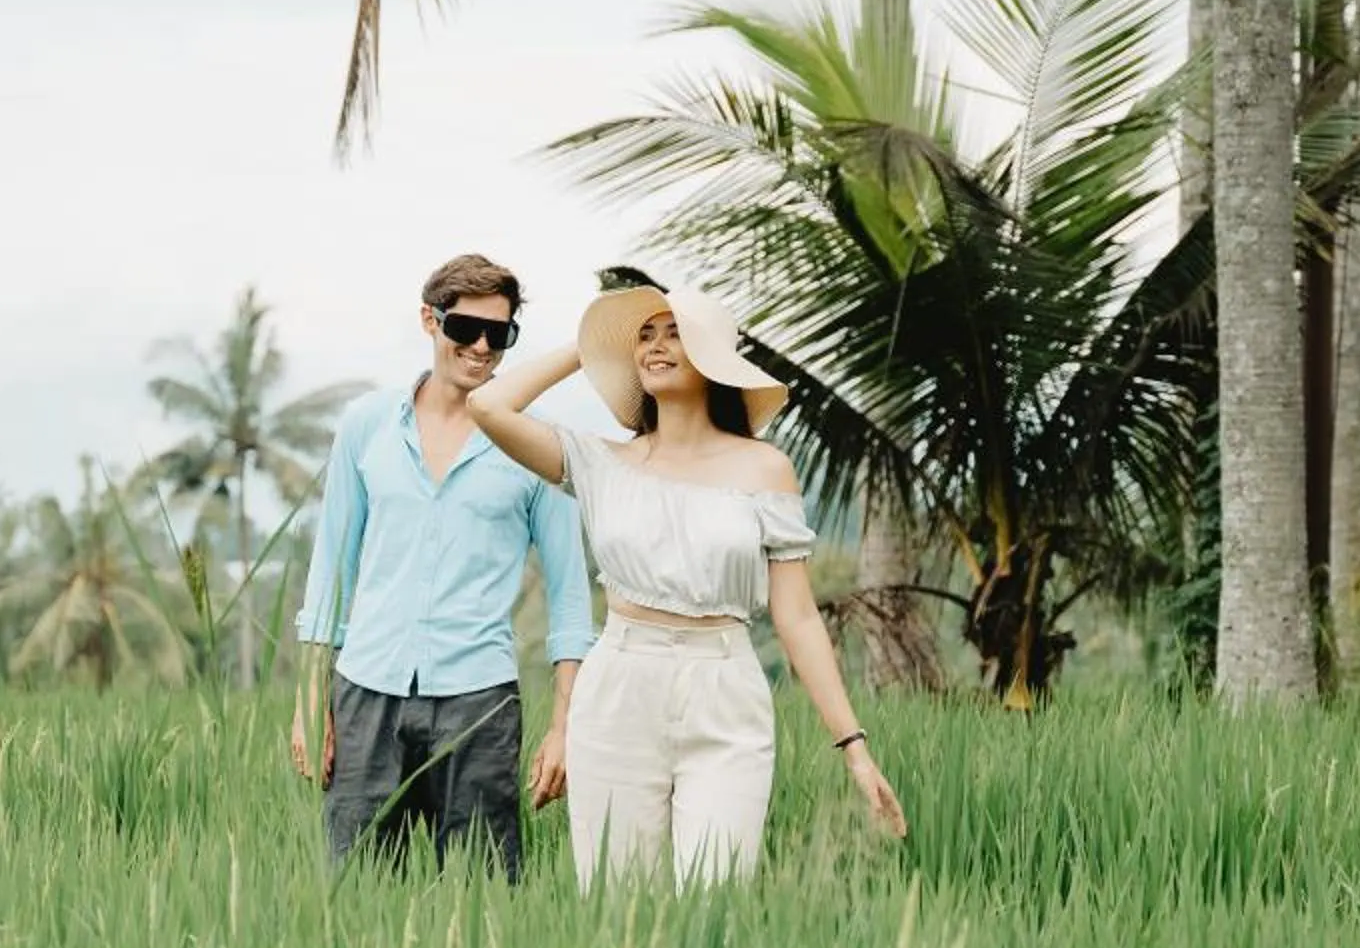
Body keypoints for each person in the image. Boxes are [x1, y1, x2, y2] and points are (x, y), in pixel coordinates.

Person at [467, 280, 907, 885]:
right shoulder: (602, 463)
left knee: (715, 900)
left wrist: (854, 747)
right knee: (616, 906)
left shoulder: (764, 468)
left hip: (725, 690)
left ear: (711, 356)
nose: (654, 345)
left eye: (675, 332)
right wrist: (590, 346)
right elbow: (489, 407)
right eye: (643, 337)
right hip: (619, 686)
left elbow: (797, 617)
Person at [291, 252, 595, 877]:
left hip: (478, 703)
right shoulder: (366, 427)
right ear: (430, 322)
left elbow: (570, 599)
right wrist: (308, 700)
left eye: (500, 335)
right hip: (367, 692)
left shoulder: (539, 445)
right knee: (355, 891)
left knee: (482, 893)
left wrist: (564, 726)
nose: (482, 347)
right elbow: (332, 571)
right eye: (466, 329)